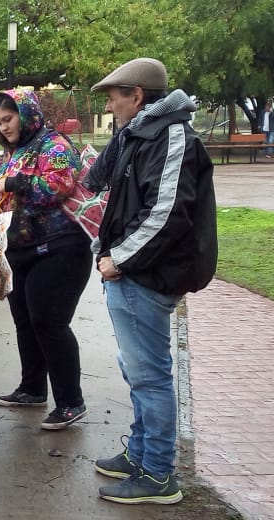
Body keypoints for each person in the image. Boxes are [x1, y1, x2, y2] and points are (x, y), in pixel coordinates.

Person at [87, 58, 216, 505]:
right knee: (139, 370)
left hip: (145, 274)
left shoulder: (171, 135)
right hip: (132, 272)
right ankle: (141, 454)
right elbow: (97, 182)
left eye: (113, 97)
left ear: (137, 95)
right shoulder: (141, 133)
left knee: (151, 378)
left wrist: (118, 259)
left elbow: (165, 214)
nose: (109, 105)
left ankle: (159, 475)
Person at [0, 89, 93, 431]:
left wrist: (12, 182)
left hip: (60, 248)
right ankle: (32, 388)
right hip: (19, 250)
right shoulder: (11, 153)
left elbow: (56, 186)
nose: (4, 127)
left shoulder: (54, 145)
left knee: (48, 322)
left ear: (26, 113)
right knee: (25, 322)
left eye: (9, 119)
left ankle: (71, 402)